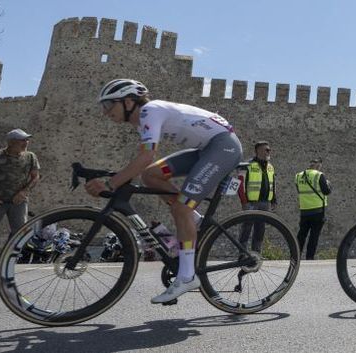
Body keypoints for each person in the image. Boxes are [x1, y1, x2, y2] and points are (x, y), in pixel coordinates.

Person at [87, 79, 241, 304]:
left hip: (224, 147)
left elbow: (147, 155)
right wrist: (118, 177)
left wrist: (112, 184)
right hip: (205, 149)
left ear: (129, 101)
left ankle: (187, 276)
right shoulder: (142, 121)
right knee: (150, 175)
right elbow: (144, 163)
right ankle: (194, 220)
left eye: (109, 105)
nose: (105, 112)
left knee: (181, 207)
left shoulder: (150, 110)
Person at [0, 129, 41, 260]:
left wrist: (24, 192)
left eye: (27, 140)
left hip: (18, 201)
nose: (26, 142)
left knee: (19, 232)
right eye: (22, 140)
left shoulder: (30, 157)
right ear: (11, 142)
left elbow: (35, 177)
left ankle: (7, 259)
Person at [295, 158, 330, 260]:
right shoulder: (319, 175)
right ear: (318, 165)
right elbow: (326, 191)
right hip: (318, 210)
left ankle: (295, 255)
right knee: (314, 236)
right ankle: (309, 257)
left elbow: (299, 190)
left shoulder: (298, 176)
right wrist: (329, 185)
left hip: (304, 210)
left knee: (301, 234)